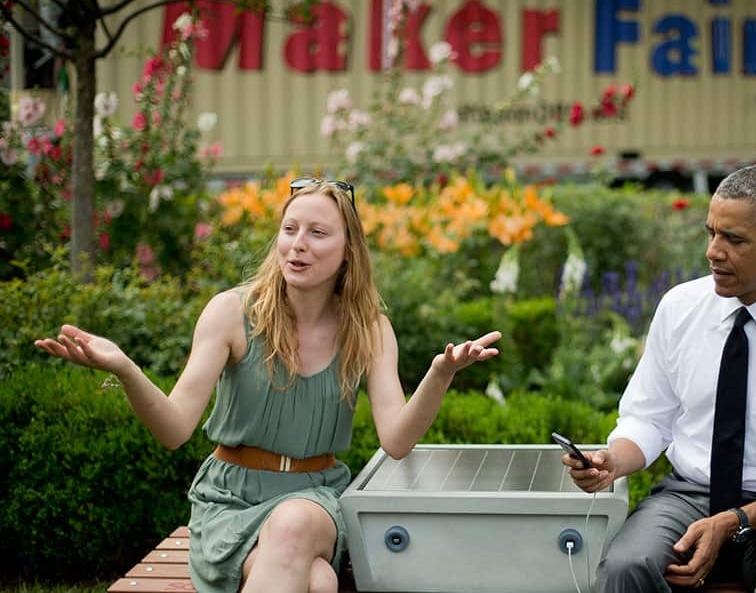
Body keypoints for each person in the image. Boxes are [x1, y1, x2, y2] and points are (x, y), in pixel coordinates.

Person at [35, 177, 501, 593]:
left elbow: (396, 441)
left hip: (315, 497)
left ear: (347, 251)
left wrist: (439, 375)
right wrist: (126, 369)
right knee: (317, 581)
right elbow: (175, 429)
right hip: (229, 501)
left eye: (318, 233)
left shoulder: (369, 328)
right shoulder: (231, 313)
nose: (299, 244)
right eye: (290, 229)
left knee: (293, 524)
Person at [562, 164, 756, 592]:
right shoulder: (679, 308)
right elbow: (650, 418)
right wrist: (613, 462)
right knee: (625, 567)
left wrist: (734, 520)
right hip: (688, 497)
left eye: (734, 239)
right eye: (711, 233)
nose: (713, 252)